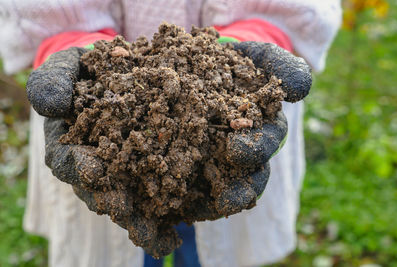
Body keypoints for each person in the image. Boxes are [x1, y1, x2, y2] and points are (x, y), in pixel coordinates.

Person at [0, 1, 342, 266]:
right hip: (92, 109)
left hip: (233, 113)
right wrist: (67, 37)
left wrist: (262, 29)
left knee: (222, 232)